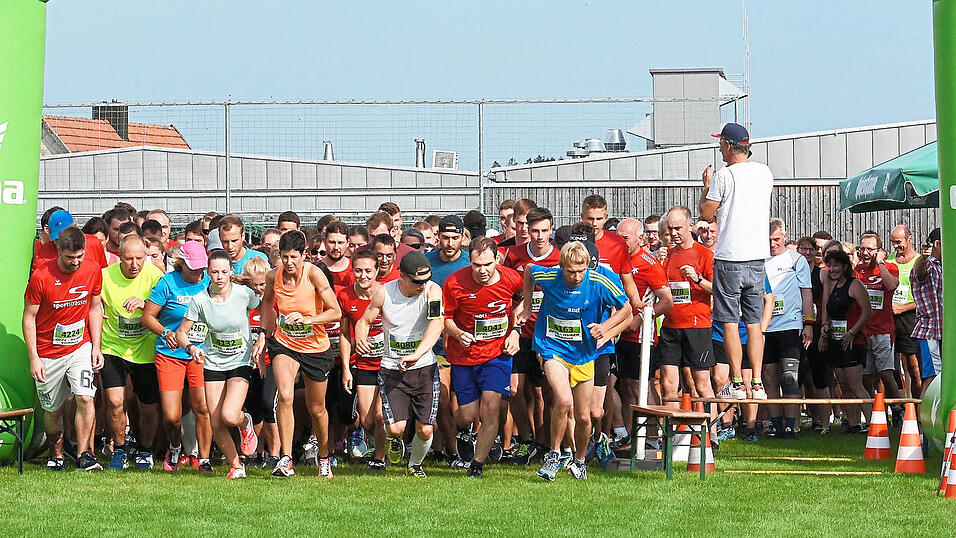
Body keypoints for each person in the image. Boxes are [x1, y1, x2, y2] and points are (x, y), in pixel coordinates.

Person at [519, 241, 631, 481]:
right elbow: (529, 270)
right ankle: (554, 454)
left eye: (582, 270)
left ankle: (580, 461)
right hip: (552, 348)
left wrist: (606, 328)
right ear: (561, 267)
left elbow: (627, 310)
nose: (577, 276)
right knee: (562, 399)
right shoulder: (549, 276)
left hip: (583, 354)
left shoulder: (600, 282)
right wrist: (527, 307)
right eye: (571, 271)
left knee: (583, 416)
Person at [259, 230, 342, 478]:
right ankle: (286, 459)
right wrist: (264, 332)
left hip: (316, 348)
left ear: (303, 254)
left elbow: (335, 311)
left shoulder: (314, 274)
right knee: (284, 395)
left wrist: (308, 320)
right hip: (285, 344)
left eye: (293, 257)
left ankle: (324, 456)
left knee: (316, 409)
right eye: (284, 257)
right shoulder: (274, 276)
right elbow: (266, 303)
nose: (289, 263)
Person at [699, 122, 773, 400]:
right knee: (754, 322)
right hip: (757, 258)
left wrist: (706, 185)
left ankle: (737, 382)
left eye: (721, 144)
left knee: (729, 320)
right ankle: (756, 381)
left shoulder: (725, 175)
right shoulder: (765, 172)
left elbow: (706, 213)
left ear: (728, 146)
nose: (719, 148)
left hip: (730, 257)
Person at [354, 252, 444, 478]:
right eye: (417, 281)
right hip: (393, 369)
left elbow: (437, 324)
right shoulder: (384, 293)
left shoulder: (433, 291)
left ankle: (415, 465)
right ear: (402, 276)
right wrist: (361, 337)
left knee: (425, 429)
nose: (422, 286)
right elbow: (364, 320)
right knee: (395, 428)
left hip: (424, 368)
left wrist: (416, 354)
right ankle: (395, 441)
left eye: (426, 279)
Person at [177, 250, 265, 479]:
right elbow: (181, 333)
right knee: (215, 421)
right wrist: (191, 348)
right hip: (214, 363)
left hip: (240, 361)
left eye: (224, 272)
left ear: (230, 272)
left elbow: (267, 310)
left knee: (229, 415)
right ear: (207, 273)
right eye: (214, 272)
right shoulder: (200, 300)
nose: (219, 277)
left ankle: (245, 422)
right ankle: (236, 466)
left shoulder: (244, 294)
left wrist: (262, 338)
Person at [24, 226, 104, 471]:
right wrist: (34, 358)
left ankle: (84, 455)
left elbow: (94, 307)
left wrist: (96, 347)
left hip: (80, 347)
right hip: (48, 351)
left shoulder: (92, 270)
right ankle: (56, 454)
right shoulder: (41, 276)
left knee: (85, 397)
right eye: (71, 258)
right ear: (59, 250)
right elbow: (28, 318)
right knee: (52, 409)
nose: (76, 262)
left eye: (80, 256)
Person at [443, 237, 524, 478]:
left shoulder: (511, 278)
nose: (483, 270)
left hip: (497, 354)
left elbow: (523, 302)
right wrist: (458, 333)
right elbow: (444, 318)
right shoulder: (454, 283)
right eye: (477, 265)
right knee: (467, 414)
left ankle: (477, 464)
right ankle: (463, 432)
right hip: (465, 355)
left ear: (497, 260)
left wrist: (516, 332)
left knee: (492, 405)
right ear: (469, 261)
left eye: (487, 264)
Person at [141, 240, 214, 473]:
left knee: (202, 407)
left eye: (202, 267)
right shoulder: (167, 283)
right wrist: (165, 332)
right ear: (181, 263)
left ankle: (204, 459)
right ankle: (174, 448)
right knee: (172, 416)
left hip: (201, 353)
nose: (198, 272)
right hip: (170, 353)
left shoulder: (210, 282)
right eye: (194, 267)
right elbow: (148, 317)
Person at [99, 234, 165, 470]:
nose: (135, 264)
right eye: (129, 259)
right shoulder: (105, 276)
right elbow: (92, 303)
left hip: (145, 349)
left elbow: (168, 307)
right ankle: (119, 450)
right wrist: (96, 312)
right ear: (119, 257)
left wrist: (146, 303)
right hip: (113, 347)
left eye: (140, 258)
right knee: (115, 402)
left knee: (147, 405)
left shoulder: (155, 276)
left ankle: (145, 450)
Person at [502, 207, 561, 464]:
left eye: (543, 231)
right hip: (519, 333)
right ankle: (525, 441)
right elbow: (505, 289)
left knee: (549, 393)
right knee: (515, 390)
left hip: (549, 334)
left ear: (551, 231)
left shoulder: (560, 257)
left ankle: (545, 443)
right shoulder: (513, 255)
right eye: (533, 230)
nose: (538, 236)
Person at [659, 207, 719, 431]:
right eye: (670, 229)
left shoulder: (704, 254)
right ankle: (672, 433)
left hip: (697, 326)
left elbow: (718, 290)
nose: (674, 233)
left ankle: (711, 433)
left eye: (678, 228)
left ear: (690, 227)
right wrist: (657, 262)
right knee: (668, 383)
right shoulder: (667, 255)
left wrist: (698, 279)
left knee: (701, 383)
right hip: (670, 326)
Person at [614, 218, 673, 445]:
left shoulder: (648, 263)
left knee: (642, 385)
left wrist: (641, 319)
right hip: (620, 332)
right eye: (618, 237)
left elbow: (667, 300)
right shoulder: (620, 259)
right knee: (627, 386)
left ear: (640, 238)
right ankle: (630, 437)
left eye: (625, 238)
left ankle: (653, 436)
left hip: (642, 335)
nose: (621, 242)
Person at [424, 215, 472, 468]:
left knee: (461, 403)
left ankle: (462, 443)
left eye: (455, 237)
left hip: (465, 342)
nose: (450, 242)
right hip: (435, 343)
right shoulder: (427, 263)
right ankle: (452, 450)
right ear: (438, 237)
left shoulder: (469, 263)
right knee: (441, 397)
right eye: (445, 237)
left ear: (463, 237)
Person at [337, 250, 388, 471]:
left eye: (368, 270)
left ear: (377, 270)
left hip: (388, 364)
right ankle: (380, 444)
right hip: (364, 364)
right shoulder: (346, 296)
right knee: (367, 421)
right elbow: (345, 335)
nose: (363, 275)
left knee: (379, 415)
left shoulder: (389, 294)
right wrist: (347, 368)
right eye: (358, 270)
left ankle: (380, 457)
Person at [763, 219, 813, 439]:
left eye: (776, 239)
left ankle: (791, 425)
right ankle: (776, 424)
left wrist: (808, 323)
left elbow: (806, 292)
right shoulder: (760, 259)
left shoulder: (796, 260)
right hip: (766, 326)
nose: (773, 244)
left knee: (789, 377)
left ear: (784, 236)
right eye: (769, 240)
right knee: (769, 377)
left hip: (790, 325)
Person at [819, 250, 873, 432]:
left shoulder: (854, 285)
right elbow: (829, 312)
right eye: (830, 265)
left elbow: (867, 312)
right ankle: (853, 424)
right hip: (836, 340)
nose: (833, 269)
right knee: (842, 383)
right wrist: (825, 328)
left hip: (853, 341)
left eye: (836, 265)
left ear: (844, 267)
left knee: (855, 383)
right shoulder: (832, 286)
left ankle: (875, 424)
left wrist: (852, 332)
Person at [854, 232, 901, 409]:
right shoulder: (857, 270)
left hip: (882, 330)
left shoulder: (889, 267)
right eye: (862, 248)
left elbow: (891, 285)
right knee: (866, 375)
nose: (865, 252)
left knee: (886, 374)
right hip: (862, 331)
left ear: (879, 251)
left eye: (870, 249)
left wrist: (880, 262)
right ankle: (876, 409)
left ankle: (896, 410)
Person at [888, 225, 923, 398]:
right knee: (888, 366)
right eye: (892, 242)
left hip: (910, 318)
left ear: (910, 239)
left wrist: (903, 307)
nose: (895, 246)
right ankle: (896, 408)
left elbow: (927, 298)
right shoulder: (889, 260)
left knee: (913, 367)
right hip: (889, 317)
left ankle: (915, 406)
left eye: (898, 242)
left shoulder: (919, 262)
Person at [911, 227, 942, 390]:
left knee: (937, 377)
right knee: (932, 379)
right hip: (929, 331)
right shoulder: (929, 266)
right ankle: (920, 416)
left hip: (938, 333)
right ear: (937, 244)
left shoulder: (938, 266)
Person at [33, 209, 108, 272]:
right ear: (48, 231)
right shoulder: (42, 255)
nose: (63, 242)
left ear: (75, 226)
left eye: (67, 236)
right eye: (57, 240)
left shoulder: (94, 244)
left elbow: (104, 274)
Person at [321, 220, 354, 291]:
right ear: (324, 242)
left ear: (347, 243)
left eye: (340, 243)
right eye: (332, 242)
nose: (336, 247)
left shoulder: (356, 269)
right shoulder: (316, 269)